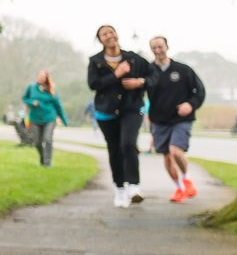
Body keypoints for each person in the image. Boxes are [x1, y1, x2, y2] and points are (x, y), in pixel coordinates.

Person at [87, 25, 153, 207]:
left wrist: (141, 82)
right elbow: (93, 84)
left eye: (111, 32)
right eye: (103, 34)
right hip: (106, 111)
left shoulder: (133, 58)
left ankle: (134, 186)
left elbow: (153, 76)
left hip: (131, 108)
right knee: (114, 149)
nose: (108, 36)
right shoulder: (96, 61)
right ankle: (119, 189)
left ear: (116, 34)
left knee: (128, 144)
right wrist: (116, 74)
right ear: (100, 39)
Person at [145, 36, 206, 202]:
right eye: (154, 48)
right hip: (159, 120)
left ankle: (187, 180)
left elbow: (199, 91)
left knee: (176, 151)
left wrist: (190, 105)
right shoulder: (148, 71)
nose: (158, 50)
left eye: (160, 46)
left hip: (181, 119)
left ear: (167, 46)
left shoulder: (183, 69)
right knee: (166, 156)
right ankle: (179, 189)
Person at [21, 70, 68, 167]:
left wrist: (64, 120)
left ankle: (47, 163)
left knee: (47, 139)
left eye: (42, 76)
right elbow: (25, 98)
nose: (40, 78)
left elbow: (58, 106)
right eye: (39, 76)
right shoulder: (31, 87)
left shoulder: (52, 89)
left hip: (49, 119)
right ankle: (43, 157)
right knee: (37, 142)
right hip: (35, 119)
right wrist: (31, 102)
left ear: (46, 78)